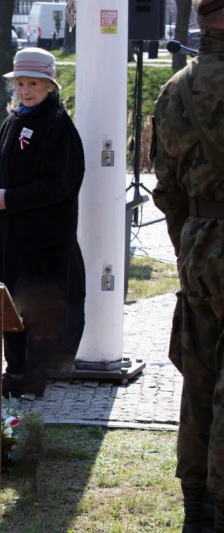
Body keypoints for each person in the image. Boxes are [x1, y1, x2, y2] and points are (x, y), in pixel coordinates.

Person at [0, 48, 86, 398]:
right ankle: (17, 370)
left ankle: (35, 376)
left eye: (33, 84)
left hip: (43, 241)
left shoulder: (57, 127)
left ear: (50, 86)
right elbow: (10, 175)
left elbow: (57, 185)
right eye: (20, 83)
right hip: (11, 236)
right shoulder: (14, 120)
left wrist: (9, 198)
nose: (25, 90)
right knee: (11, 306)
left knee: (39, 310)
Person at [152, 0, 224, 529]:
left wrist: (189, 241)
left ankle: (195, 509)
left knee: (199, 377)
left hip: (199, 244)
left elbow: (166, 188)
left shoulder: (176, 88)